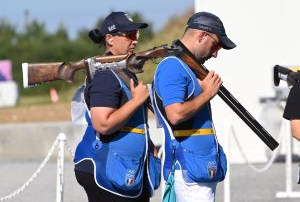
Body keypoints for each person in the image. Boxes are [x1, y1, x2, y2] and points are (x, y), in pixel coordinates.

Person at [73, 12, 161, 202]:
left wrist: (148, 144)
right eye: (129, 35)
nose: (135, 40)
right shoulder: (106, 74)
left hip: (122, 168)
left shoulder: (121, 71)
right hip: (107, 168)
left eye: (136, 35)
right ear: (110, 39)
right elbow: (102, 124)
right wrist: (137, 101)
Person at [152, 11, 236, 202]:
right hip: (189, 171)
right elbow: (175, 114)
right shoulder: (172, 67)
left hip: (196, 168)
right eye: (215, 45)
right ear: (202, 35)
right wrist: (207, 94)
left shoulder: (184, 67)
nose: (215, 54)